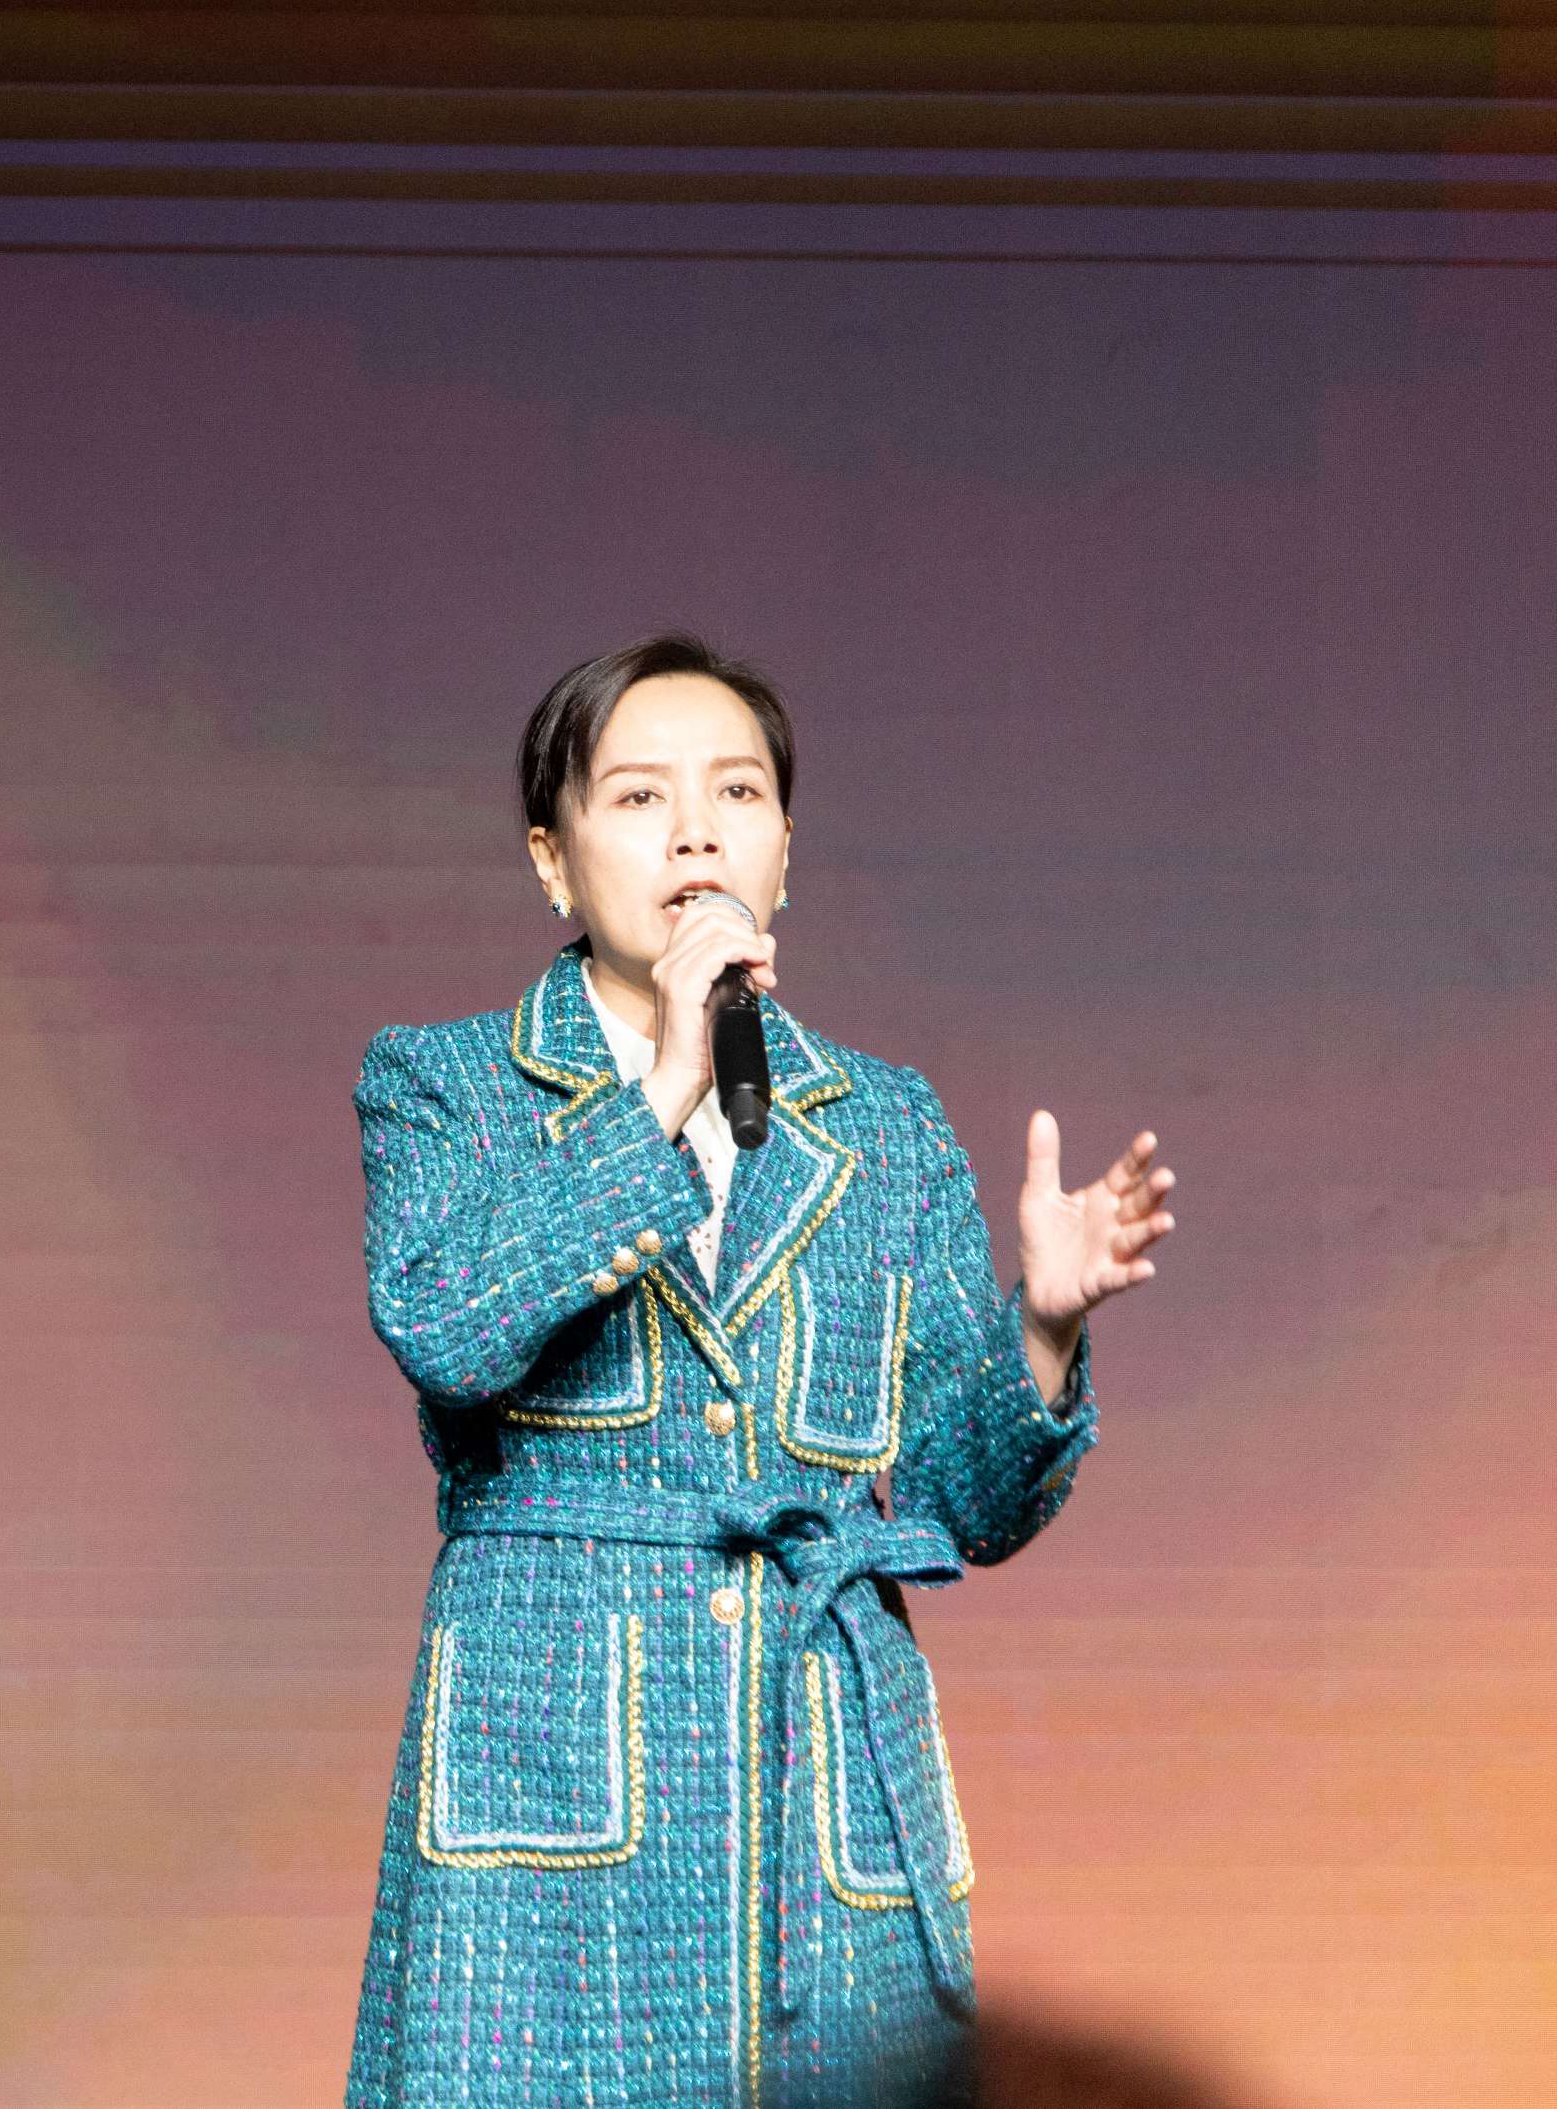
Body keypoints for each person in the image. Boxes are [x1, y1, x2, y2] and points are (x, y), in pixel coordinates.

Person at [347, 637, 1175, 2109]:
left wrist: (1042, 1331)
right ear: (551, 860)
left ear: (785, 850)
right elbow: (445, 1325)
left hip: (821, 1790)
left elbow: (961, 1506)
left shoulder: (886, 1125)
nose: (696, 834)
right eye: (639, 797)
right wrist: (666, 1083)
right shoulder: (445, 1085)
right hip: (549, 1798)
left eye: (737, 794)